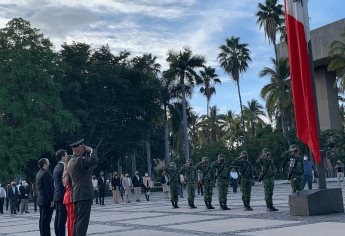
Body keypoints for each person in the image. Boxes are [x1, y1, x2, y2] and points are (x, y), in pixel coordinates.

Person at [66, 139, 98, 236]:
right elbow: (93, 161)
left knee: (78, 221)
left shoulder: (71, 162)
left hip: (76, 195)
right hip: (84, 194)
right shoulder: (79, 160)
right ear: (79, 149)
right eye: (83, 147)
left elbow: (70, 182)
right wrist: (92, 150)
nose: (84, 149)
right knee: (83, 223)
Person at [36, 158, 54, 236]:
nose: (49, 163)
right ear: (44, 164)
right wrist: (52, 200)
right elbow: (49, 188)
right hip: (46, 200)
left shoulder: (39, 173)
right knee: (46, 221)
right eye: (48, 162)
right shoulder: (46, 173)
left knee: (42, 220)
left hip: (41, 199)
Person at [53, 149, 68, 236]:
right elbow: (64, 182)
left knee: (57, 217)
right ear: (63, 157)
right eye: (66, 155)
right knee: (62, 219)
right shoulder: (63, 167)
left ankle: (57, 234)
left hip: (57, 194)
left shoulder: (56, 167)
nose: (67, 157)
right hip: (62, 195)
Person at [63, 155, 74, 236]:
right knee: (72, 218)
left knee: (70, 218)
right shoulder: (70, 172)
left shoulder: (65, 172)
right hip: (70, 196)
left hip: (67, 197)